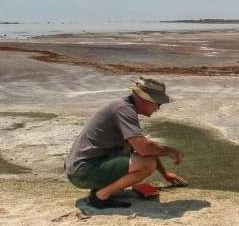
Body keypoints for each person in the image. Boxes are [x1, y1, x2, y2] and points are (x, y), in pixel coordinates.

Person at [64, 77, 187, 208]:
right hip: (82, 172)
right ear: (146, 100)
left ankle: (100, 188)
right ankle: (100, 197)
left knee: (140, 155)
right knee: (148, 164)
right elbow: (144, 149)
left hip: (82, 168)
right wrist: (169, 151)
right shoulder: (124, 110)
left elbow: (144, 147)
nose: (158, 108)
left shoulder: (124, 107)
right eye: (159, 104)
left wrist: (165, 173)